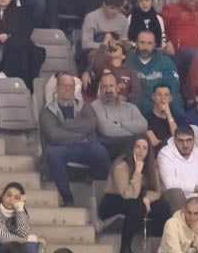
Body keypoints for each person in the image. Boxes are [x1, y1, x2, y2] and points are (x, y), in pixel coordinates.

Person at [40, 73, 111, 207]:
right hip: (61, 148)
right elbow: (54, 135)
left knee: (101, 151)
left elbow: (90, 125)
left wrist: (64, 127)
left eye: (71, 86)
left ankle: (94, 180)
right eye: (64, 85)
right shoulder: (47, 111)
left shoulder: (85, 106)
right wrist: (80, 135)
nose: (68, 89)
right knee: (53, 154)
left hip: (85, 147)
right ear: (57, 88)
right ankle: (67, 197)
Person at [99, 135, 170, 253]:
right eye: (137, 147)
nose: (141, 152)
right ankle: (125, 247)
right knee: (137, 206)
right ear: (131, 148)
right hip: (114, 200)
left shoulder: (152, 165)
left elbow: (157, 191)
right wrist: (137, 171)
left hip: (139, 198)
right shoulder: (121, 166)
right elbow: (128, 194)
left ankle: (160, 245)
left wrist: (147, 198)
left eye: (144, 148)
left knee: (162, 207)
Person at [93, 72, 150, 156]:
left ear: (117, 88)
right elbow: (106, 130)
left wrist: (120, 124)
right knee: (141, 139)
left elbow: (144, 125)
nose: (108, 90)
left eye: (111, 86)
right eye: (105, 86)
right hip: (109, 149)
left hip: (131, 149)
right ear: (100, 89)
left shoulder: (130, 107)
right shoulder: (95, 106)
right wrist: (135, 134)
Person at [132, 29, 184, 117]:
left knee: (176, 100)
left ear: (155, 45)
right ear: (136, 43)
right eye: (142, 43)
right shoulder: (128, 61)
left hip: (161, 100)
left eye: (149, 43)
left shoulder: (165, 62)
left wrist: (158, 99)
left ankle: (179, 129)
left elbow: (174, 86)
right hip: (139, 103)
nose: (145, 47)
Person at [0, 183, 38, 253]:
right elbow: (3, 238)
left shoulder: (19, 213)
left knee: (30, 245)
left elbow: (23, 233)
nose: (11, 199)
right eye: (9, 195)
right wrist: (27, 239)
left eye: (16, 198)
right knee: (19, 245)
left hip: (9, 249)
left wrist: (20, 208)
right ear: (3, 196)